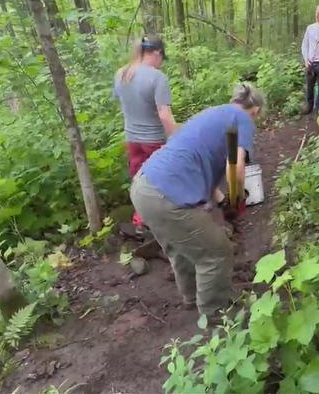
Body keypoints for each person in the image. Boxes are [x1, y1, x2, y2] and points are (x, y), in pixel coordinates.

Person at [130, 83, 263, 317]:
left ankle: (192, 297)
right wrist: (235, 202)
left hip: (144, 188)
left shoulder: (213, 115)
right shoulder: (242, 120)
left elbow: (205, 169)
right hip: (167, 195)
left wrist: (223, 202)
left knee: (181, 249)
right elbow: (235, 166)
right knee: (216, 251)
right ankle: (215, 312)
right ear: (256, 111)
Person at [112, 36, 177, 232]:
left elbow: (123, 102)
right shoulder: (157, 77)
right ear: (157, 53)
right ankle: (165, 224)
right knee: (162, 182)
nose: (161, 62)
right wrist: (175, 138)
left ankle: (140, 221)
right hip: (154, 140)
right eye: (162, 57)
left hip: (132, 138)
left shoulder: (121, 74)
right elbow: (164, 115)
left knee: (139, 181)